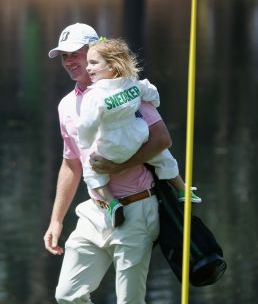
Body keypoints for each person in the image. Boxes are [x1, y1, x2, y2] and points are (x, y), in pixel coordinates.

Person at [43, 23, 173, 304]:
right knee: (68, 295)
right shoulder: (66, 105)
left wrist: (118, 167)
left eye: (75, 53)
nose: (69, 61)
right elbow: (71, 164)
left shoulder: (127, 91)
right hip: (95, 211)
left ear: (94, 51)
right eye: (64, 56)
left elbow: (162, 139)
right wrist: (56, 220)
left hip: (136, 209)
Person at [77, 37, 201, 228]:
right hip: (138, 138)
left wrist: (85, 143)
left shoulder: (94, 95)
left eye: (93, 63)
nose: (88, 68)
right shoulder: (132, 84)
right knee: (162, 157)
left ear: (112, 66)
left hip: (113, 147)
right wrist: (156, 101)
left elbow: (87, 124)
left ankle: (112, 203)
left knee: (91, 171)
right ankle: (182, 189)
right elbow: (150, 91)